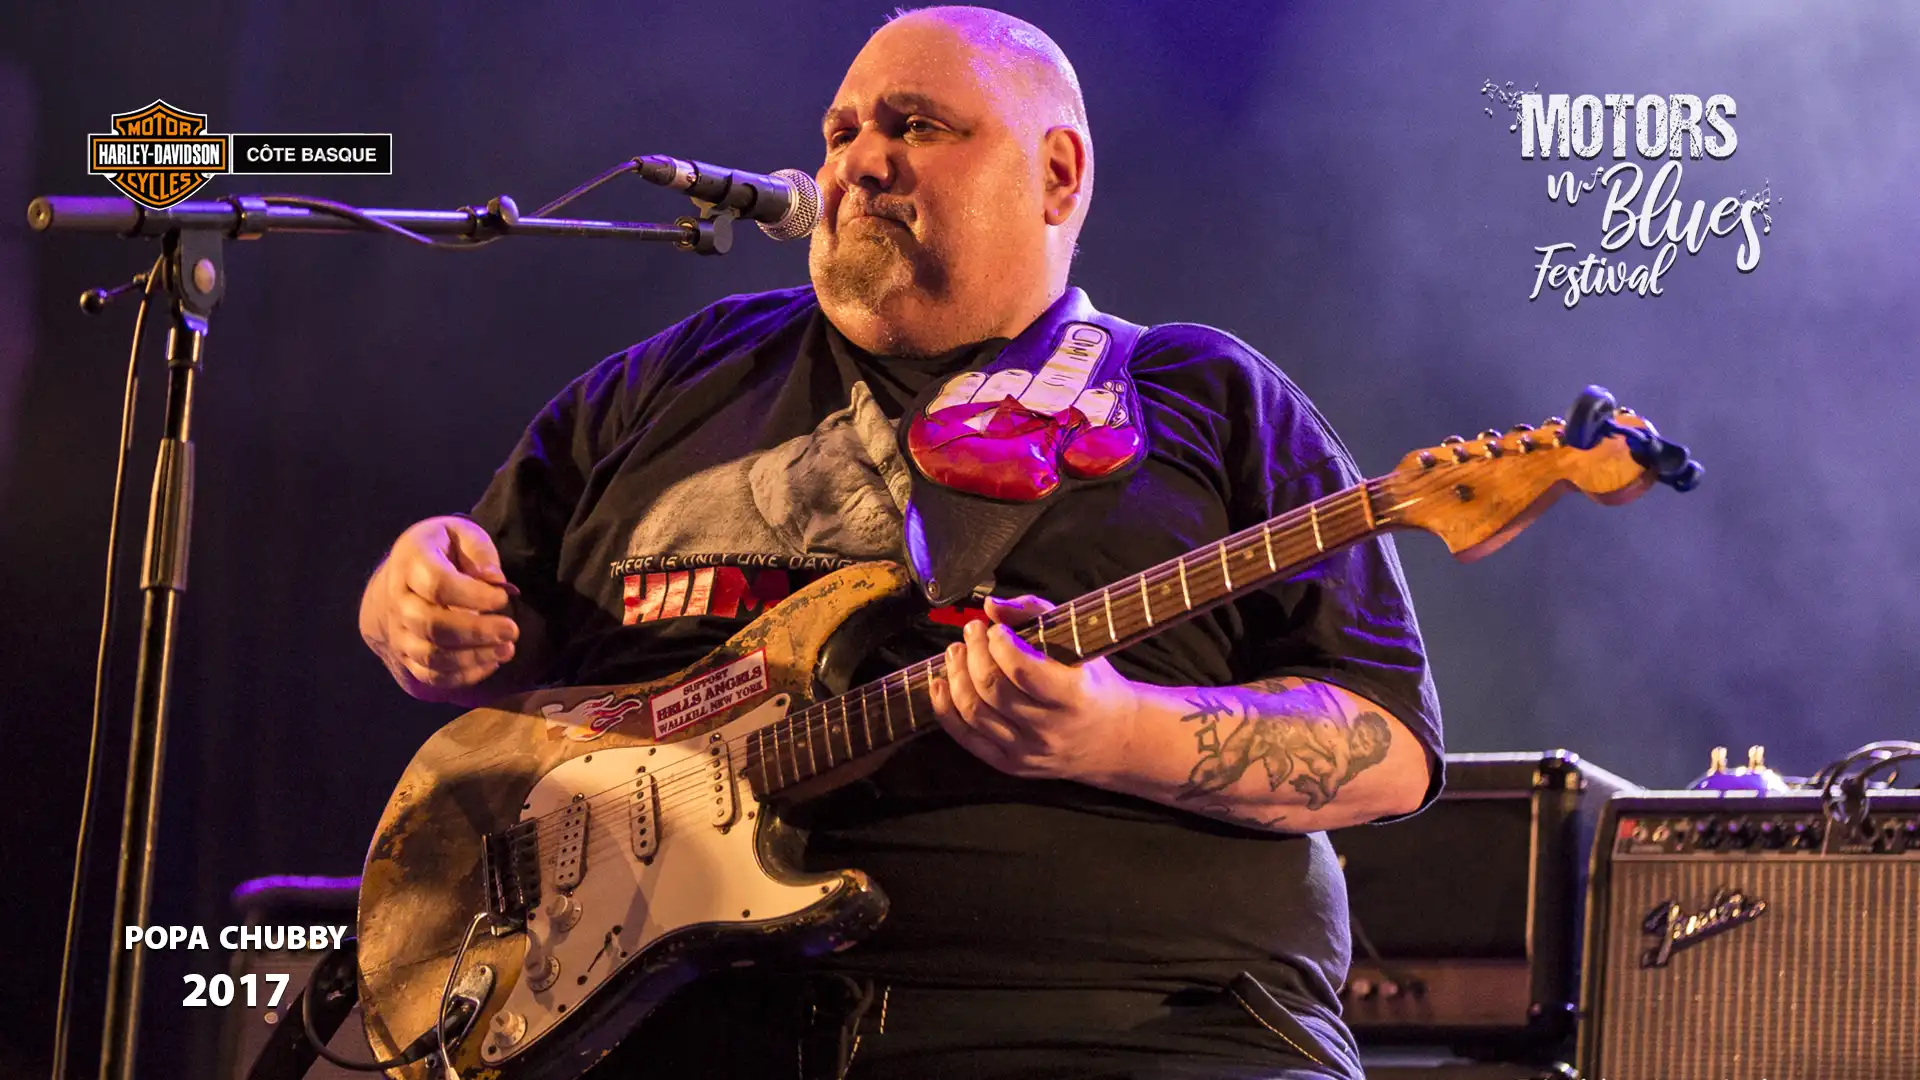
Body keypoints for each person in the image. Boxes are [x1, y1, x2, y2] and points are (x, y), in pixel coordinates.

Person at [358, 7, 1443, 1078]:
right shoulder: (667, 383)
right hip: (652, 1029)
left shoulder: (1201, 395)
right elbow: (472, 617)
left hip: (1120, 1031)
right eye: (841, 133)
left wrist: (1119, 733)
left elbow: (1386, 745)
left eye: (917, 126)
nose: (860, 163)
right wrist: (412, 603)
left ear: (1058, 173)